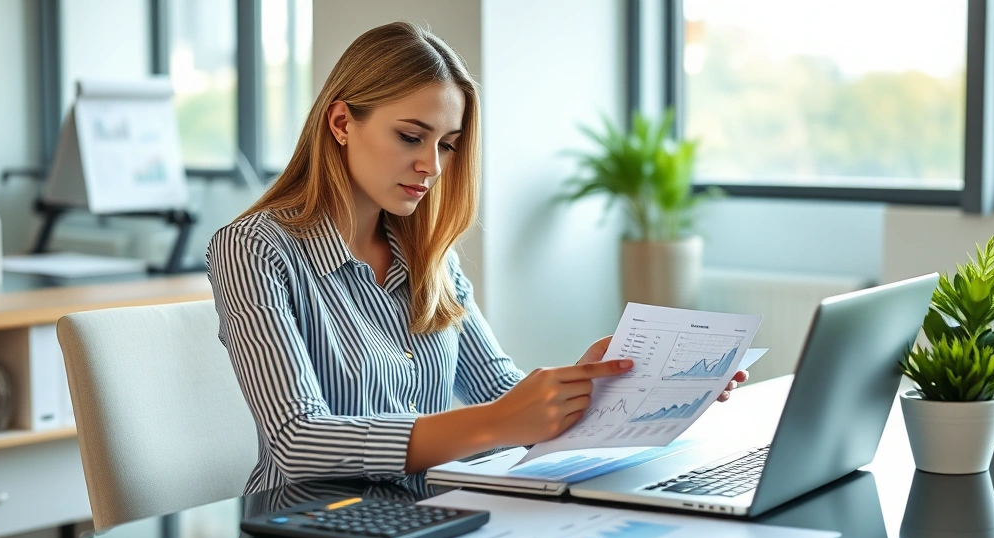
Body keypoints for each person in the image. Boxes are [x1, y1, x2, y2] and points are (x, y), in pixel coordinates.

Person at [207, 22, 746, 495]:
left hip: (430, 516)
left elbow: (501, 394)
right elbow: (298, 442)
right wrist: (496, 423)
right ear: (342, 123)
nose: (432, 166)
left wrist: (603, 383)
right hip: (311, 533)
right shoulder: (254, 248)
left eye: (447, 144)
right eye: (411, 136)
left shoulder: (429, 256)